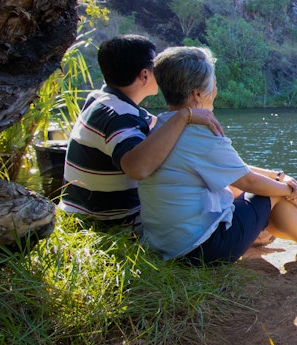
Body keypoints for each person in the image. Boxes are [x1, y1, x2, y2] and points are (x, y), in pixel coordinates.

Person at [137, 45, 297, 264]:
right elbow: (248, 181)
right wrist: (288, 190)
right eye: (213, 83)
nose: (216, 89)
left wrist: (277, 176)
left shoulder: (162, 126)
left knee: (256, 190)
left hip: (167, 244)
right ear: (198, 94)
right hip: (201, 250)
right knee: (267, 193)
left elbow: (234, 168)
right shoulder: (200, 133)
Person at [60, 34, 224, 228]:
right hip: (111, 225)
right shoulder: (118, 115)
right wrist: (184, 115)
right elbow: (138, 168)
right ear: (145, 75)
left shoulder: (102, 101)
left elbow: (176, 141)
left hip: (84, 216)